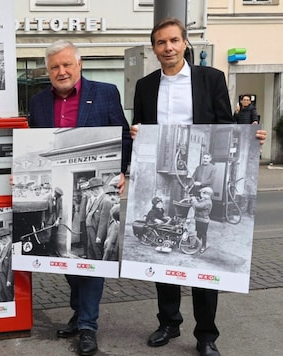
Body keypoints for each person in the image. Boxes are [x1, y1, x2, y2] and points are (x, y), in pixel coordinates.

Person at [131, 17, 267, 356]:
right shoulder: (146, 86)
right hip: (174, 178)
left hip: (194, 178)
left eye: (174, 41)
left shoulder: (211, 79)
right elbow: (142, 128)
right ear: (154, 48)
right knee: (166, 252)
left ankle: (206, 336)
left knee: (202, 268)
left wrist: (249, 140)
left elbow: (225, 127)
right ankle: (169, 323)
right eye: (161, 43)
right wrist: (137, 136)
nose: (169, 48)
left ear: (185, 43)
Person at [28, 39, 132, 356]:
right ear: (48, 71)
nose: (61, 71)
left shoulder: (105, 92)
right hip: (61, 193)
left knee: (94, 258)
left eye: (66, 64)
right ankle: (78, 312)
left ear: (79, 64)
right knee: (68, 258)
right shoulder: (38, 103)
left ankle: (88, 325)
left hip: (98, 181)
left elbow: (123, 135)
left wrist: (124, 170)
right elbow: (36, 142)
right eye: (55, 67)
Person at [83, 177, 113, 261]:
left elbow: (103, 221)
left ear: (97, 189)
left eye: (91, 190)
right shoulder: (98, 199)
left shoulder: (106, 200)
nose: (91, 192)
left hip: (96, 232)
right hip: (91, 230)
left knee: (97, 253)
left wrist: (99, 236)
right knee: (90, 251)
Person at [191, 187, 213, 253]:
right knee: (198, 233)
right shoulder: (204, 200)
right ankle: (197, 245)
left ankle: (203, 246)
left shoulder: (207, 202)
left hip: (203, 220)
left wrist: (194, 200)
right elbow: (199, 203)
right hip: (199, 219)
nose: (200, 194)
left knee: (203, 234)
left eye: (202, 193)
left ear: (205, 194)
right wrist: (197, 199)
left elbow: (198, 206)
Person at [0, 227, 14, 302]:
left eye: (0, 239)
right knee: (2, 291)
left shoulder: (11, 247)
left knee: (7, 293)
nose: (0, 241)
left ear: (5, 238)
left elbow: (11, 265)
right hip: (1, 273)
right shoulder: (5, 247)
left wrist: (9, 280)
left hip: (5, 274)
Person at [46, 186, 63, 256]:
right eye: (57, 196)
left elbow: (61, 209)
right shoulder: (47, 198)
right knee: (48, 236)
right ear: (54, 193)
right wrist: (43, 221)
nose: (58, 197)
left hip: (55, 219)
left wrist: (58, 219)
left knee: (54, 236)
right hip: (48, 220)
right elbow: (44, 211)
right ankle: (47, 252)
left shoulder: (59, 198)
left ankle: (54, 251)